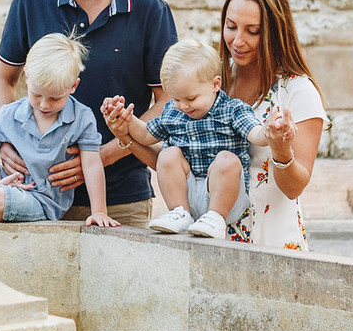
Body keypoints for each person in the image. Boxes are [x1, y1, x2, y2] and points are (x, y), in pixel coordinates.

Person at [0, 0, 177, 227]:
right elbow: (2, 80)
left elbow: (168, 102)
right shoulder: (30, 0)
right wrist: (6, 139)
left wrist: (102, 155)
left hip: (121, 200)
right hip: (32, 191)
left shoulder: (151, 10)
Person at [107, 39, 271, 239]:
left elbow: (254, 133)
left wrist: (269, 132)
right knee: (168, 154)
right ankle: (179, 212)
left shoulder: (232, 109)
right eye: (176, 99)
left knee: (227, 160)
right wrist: (126, 118)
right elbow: (145, 135)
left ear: (215, 84)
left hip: (226, 195)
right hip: (188, 191)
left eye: (191, 98)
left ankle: (215, 218)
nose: (183, 106)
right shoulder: (173, 113)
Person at [0, 34, 117, 227]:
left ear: (73, 86)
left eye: (55, 98)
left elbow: (91, 164)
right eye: (36, 94)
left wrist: (99, 211)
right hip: (3, 183)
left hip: (42, 199)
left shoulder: (81, 117)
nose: (44, 105)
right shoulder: (10, 114)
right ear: (27, 79)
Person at [216, 0, 328, 249]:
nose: (237, 41)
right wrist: (129, 134)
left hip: (271, 242)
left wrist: (281, 152)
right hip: (213, 240)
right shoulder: (216, 78)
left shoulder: (298, 91)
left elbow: (294, 188)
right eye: (231, 27)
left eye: (252, 31)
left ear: (274, 32)